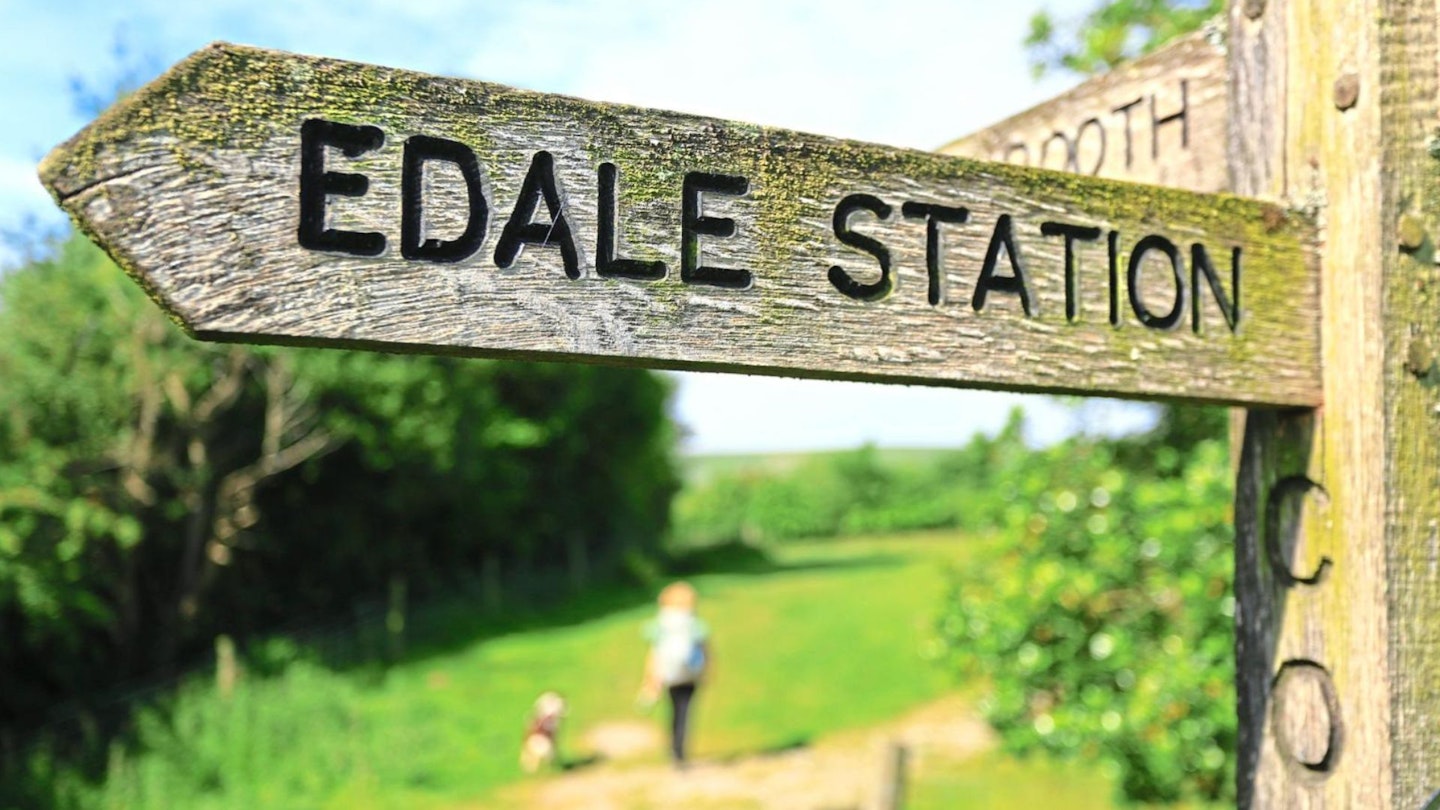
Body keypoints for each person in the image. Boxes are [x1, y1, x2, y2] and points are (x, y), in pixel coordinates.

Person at [638, 581, 710, 766]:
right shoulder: (693, 623)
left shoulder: (662, 624)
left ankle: (673, 749)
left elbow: (655, 653)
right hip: (690, 675)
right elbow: (705, 648)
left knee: (673, 711)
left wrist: (651, 678)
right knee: (685, 712)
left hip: (669, 675)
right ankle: (680, 751)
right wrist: (707, 671)